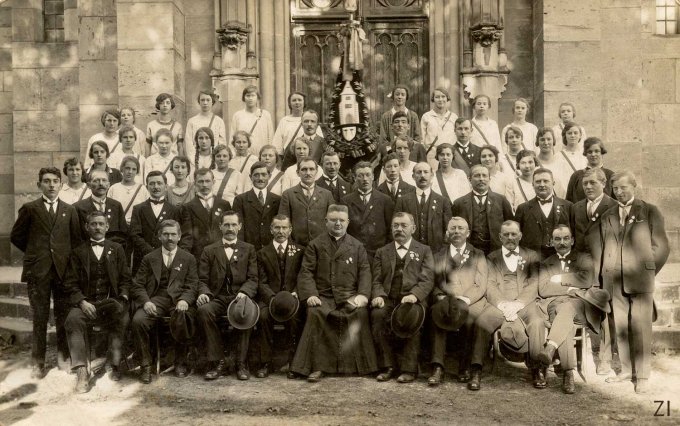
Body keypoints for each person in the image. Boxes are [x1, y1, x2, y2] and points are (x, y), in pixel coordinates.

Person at [590, 171, 669, 394]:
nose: (620, 192)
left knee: (641, 326)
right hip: (614, 280)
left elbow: (662, 246)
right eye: (616, 188)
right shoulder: (607, 215)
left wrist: (649, 270)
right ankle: (626, 370)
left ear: (635, 186)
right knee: (622, 326)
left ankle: (642, 376)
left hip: (641, 279)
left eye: (624, 187)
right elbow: (602, 246)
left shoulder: (649, 211)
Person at [291, 204, 378, 381]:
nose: (337, 224)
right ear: (326, 222)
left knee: (360, 313)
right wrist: (311, 295)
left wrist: (362, 294)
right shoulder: (315, 245)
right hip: (324, 296)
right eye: (333, 220)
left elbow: (365, 272)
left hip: (350, 296)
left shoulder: (357, 245)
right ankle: (317, 367)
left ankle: (362, 366)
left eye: (341, 220)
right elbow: (306, 272)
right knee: (315, 313)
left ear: (347, 222)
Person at [10, 167, 83, 378]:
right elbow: (17, 236)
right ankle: (37, 362)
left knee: (63, 316)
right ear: (39, 184)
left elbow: (76, 240)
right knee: (40, 318)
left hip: (63, 272)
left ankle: (63, 357)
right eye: (47, 181)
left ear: (61, 184)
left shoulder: (70, 211)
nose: (51, 185)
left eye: (55, 181)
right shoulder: (30, 208)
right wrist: (36, 253)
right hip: (38, 271)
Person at [468, 221, 543, 391]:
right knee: (482, 321)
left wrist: (518, 303)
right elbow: (490, 284)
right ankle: (476, 369)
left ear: (520, 236)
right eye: (506, 234)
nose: (510, 238)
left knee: (537, 322)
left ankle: (537, 368)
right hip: (500, 303)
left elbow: (534, 283)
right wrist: (503, 304)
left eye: (514, 234)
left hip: (524, 303)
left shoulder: (531, 255)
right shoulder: (491, 258)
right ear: (500, 237)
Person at [61, 211, 131, 392]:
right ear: (87, 227)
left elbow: (125, 278)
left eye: (101, 224)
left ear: (107, 227)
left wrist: (123, 297)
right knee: (72, 320)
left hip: (111, 303)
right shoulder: (78, 252)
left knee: (122, 316)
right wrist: (83, 302)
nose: (97, 227)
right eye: (93, 224)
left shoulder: (116, 249)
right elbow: (70, 283)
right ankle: (82, 370)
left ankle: (114, 364)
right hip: (86, 304)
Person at [129, 219, 198, 383]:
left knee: (183, 316)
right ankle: (146, 365)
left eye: (173, 234)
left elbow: (193, 284)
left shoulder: (188, 258)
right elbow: (137, 284)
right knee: (138, 320)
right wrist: (146, 302)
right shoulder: (149, 258)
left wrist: (185, 300)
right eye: (166, 234)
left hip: (178, 300)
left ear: (179, 236)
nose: (170, 238)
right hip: (156, 299)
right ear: (159, 236)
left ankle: (180, 361)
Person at [370, 212, 434, 383]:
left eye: (404, 225)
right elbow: (376, 280)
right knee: (377, 314)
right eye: (395, 225)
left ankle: (409, 368)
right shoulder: (382, 252)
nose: (399, 229)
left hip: (413, 299)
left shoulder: (424, 250)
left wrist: (415, 295)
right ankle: (387, 365)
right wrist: (378, 295)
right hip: (389, 298)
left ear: (413, 228)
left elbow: (427, 279)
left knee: (412, 316)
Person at [196, 210, 259, 381]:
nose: (230, 228)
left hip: (240, 297)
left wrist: (245, 292)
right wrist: (204, 293)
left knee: (247, 311)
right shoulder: (209, 250)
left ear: (239, 226)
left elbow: (253, 278)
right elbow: (202, 279)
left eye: (233, 225)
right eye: (226, 225)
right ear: (220, 227)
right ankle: (218, 361)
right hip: (217, 298)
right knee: (203, 310)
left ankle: (241, 362)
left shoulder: (249, 249)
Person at [427, 217, 487, 386]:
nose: (456, 232)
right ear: (447, 233)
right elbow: (434, 282)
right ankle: (437, 367)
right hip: (446, 299)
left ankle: (466, 367)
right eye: (452, 228)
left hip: (469, 300)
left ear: (467, 233)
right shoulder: (438, 255)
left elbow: (480, 284)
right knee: (437, 313)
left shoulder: (478, 254)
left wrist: (466, 299)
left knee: (474, 318)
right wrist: (440, 296)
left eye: (461, 228)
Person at [535, 225, 594, 394]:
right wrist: (570, 289)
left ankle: (550, 349)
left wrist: (560, 278)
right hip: (555, 305)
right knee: (564, 318)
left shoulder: (583, 258)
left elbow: (587, 280)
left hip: (580, 307)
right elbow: (544, 289)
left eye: (566, 238)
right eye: (558, 239)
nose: (562, 242)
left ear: (572, 240)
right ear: (551, 242)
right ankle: (568, 373)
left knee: (567, 310)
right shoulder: (546, 263)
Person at [254, 214, 305, 378]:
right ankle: (265, 363)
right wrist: (272, 299)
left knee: (296, 318)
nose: (280, 231)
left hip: (293, 298)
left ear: (290, 230)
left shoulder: (300, 251)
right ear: (271, 229)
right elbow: (261, 282)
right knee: (262, 317)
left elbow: (303, 276)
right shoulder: (262, 253)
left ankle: (294, 363)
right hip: (270, 300)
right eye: (277, 227)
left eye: (284, 228)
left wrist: (295, 294)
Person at [451, 165, 514, 255]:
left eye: (484, 175)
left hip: (495, 250)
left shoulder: (501, 200)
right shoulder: (459, 203)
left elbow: (510, 225)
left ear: (489, 179)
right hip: (468, 252)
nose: (481, 179)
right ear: (469, 179)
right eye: (477, 175)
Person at [129, 171, 183, 273]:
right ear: (146, 186)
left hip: (166, 258)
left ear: (166, 186)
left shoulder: (174, 210)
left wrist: (162, 252)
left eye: (159, 183)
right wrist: (151, 252)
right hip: (143, 258)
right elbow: (134, 234)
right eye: (152, 183)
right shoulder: (138, 209)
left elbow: (177, 235)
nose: (156, 186)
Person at [515, 167, 572, 259]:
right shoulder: (522, 209)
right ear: (532, 184)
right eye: (538, 182)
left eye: (546, 181)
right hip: (533, 260)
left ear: (553, 183)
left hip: (561, 258)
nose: (542, 184)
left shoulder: (568, 206)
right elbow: (518, 237)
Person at [342, 161, 395, 261]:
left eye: (367, 175)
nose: (365, 179)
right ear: (354, 178)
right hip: (355, 253)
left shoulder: (385, 200)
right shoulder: (346, 200)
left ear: (373, 176)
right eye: (360, 176)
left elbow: (391, 229)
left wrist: (385, 250)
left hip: (379, 254)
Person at [395, 162, 452, 253]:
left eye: (426, 172)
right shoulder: (403, 201)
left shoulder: (443, 201)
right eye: (419, 172)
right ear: (413, 176)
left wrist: (441, 252)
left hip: (436, 253)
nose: (422, 175)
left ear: (432, 175)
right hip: (410, 253)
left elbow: (448, 231)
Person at [279, 157, 334, 246]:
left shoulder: (327, 194)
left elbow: (332, 222)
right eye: (304, 169)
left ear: (316, 172)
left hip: (321, 246)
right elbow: (283, 223)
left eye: (311, 169)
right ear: (298, 172)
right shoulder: (288, 195)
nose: (308, 173)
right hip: (296, 246)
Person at [180, 168, 232, 261]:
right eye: (200, 181)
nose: (204, 185)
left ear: (213, 182)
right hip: (199, 256)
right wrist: (186, 259)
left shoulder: (224, 204)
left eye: (207, 181)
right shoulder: (188, 207)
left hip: (221, 255)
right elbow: (187, 236)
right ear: (195, 183)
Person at [233, 161, 282, 251]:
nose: (260, 178)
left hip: (271, 250)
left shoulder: (277, 200)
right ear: (250, 177)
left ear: (269, 176)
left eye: (264, 175)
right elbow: (239, 229)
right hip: (249, 250)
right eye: (256, 175)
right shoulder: (240, 200)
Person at [73, 169, 128, 248]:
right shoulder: (78, 207)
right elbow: (76, 238)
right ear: (88, 185)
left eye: (104, 180)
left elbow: (123, 235)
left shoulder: (116, 206)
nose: (101, 184)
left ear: (109, 185)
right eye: (96, 181)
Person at [569, 168, 616, 254]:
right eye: (585, 183)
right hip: (580, 261)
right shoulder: (575, 208)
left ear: (603, 184)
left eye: (592, 182)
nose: (588, 187)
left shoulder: (615, 207)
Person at [272, 92, 324, 157]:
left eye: (299, 100)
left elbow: (319, 141)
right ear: (289, 103)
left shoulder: (311, 118)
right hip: (289, 158)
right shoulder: (284, 121)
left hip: (308, 157)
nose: (297, 102)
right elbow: (277, 144)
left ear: (304, 102)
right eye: (294, 100)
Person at [565, 137, 615, 203]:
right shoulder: (576, 176)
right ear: (585, 154)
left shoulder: (610, 175)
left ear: (602, 153)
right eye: (590, 152)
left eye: (597, 151)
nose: (593, 154)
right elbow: (569, 202)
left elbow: (616, 203)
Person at [229, 85, 274, 156]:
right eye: (248, 95)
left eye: (253, 95)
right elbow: (232, 137)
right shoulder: (237, 115)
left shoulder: (265, 114)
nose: (250, 98)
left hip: (261, 155)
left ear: (258, 98)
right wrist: (233, 154)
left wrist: (268, 153)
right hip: (243, 155)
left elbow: (270, 137)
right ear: (244, 98)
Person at [107, 155, 150, 226]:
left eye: (134, 169)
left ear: (137, 171)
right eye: (127, 168)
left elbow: (147, 211)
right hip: (118, 226)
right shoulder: (114, 188)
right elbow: (109, 210)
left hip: (137, 226)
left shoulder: (142, 189)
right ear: (122, 169)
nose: (130, 172)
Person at [184, 90, 227, 160]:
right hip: (196, 159)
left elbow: (222, 144)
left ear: (212, 102)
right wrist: (194, 160)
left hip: (214, 159)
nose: (205, 103)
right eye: (202, 100)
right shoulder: (192, 121)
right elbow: (189, 144)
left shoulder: (219, 121)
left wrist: (216, 159)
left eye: (208, 100)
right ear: (199, 102)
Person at [421, 87, 457, 169]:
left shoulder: (454, 117)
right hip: (432, 155)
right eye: (437, 97)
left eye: (443, 96)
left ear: (447, 98)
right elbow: (422, 139)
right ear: (433, 99)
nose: (440, 99)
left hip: (449, 155)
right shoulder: (426, 116)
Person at [146, 93, 184, 157]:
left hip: (172, 161)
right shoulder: (151, 125)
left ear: (171, 105)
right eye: (162, 103)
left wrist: (181, 160)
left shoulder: (177, 126)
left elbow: (180, 147)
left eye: (168, 103)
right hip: (155, 161)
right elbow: (148, 146)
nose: (165, 105)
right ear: (158, 105)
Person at [553, 121, 588, 187]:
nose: (572, 135)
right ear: (565, 135)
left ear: (580, 135)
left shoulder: (585, 155)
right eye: (569, 133)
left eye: (575, 133)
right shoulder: (558, 156)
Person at [534, 127, 565, 197]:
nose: (546, 143)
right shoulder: (533, 164)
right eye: (542, 139)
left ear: (553, 141)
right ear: (537, 142)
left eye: (549, 139)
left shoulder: (561, 162)